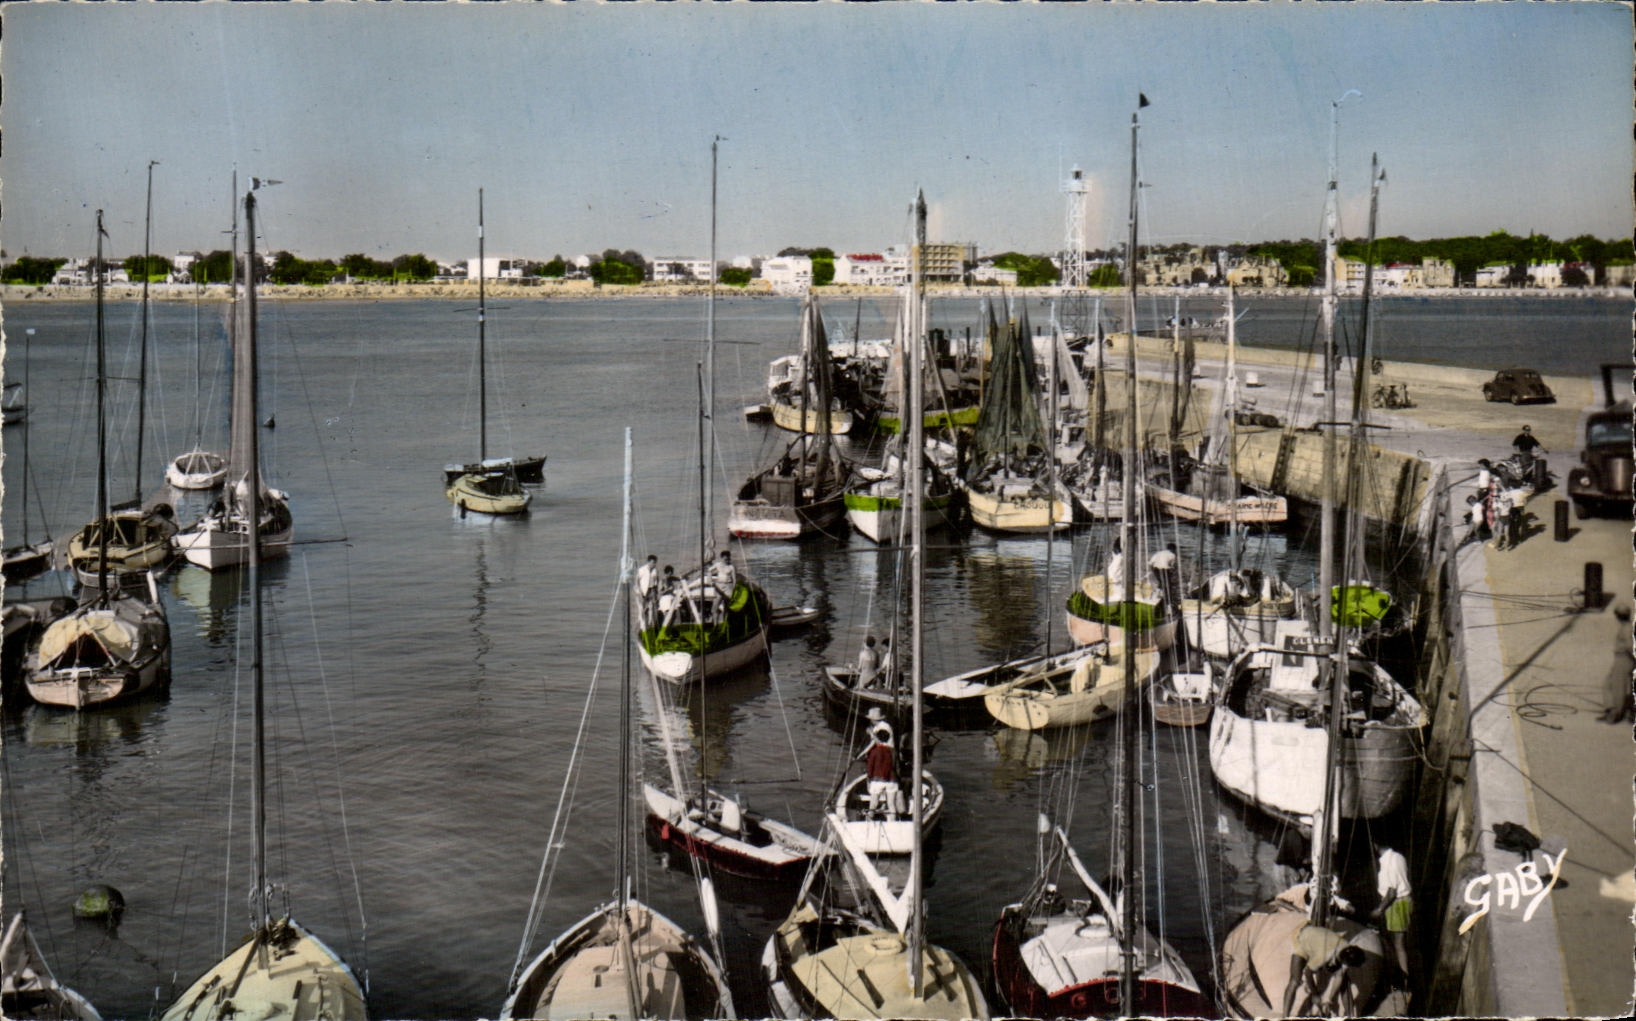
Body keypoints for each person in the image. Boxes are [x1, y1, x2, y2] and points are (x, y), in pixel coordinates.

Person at [1283, 924, 1368, 1018]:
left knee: (1344, 980)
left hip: (1318, 940)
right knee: (1295, 981)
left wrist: (1328, 1000)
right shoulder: (1324, 956)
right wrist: (1315, 994)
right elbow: (1308, 973)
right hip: (1302, 937)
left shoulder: (1346, 946)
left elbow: (1339, 976)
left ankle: (1349, 1015)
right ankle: (1284, 1016)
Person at [1373, 841, 1412, 979]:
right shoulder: (1398, 856)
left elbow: (1391, 892)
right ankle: (1401, 973)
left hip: (1396, 904)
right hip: (1405, 901)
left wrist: (1379, 909)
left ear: (1375, 845)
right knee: (1399, 941)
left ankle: (1403, 976)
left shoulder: (1387, 863)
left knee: (1398, 943)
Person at [1601, 603, 1634, 724]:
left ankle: (1615, 714)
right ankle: (1620, 711)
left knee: (1616, 687)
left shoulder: (1626, 629)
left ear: (1618, 616)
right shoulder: (1628, 626)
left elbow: (1631, 647)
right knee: (1612, 684)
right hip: (1623, 659)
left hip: (1623, 659)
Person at [861, 720, 899, 817]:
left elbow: (870, 768)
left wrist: (869, 780)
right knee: (891, 804)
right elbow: (896, 767)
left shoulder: (874, 752)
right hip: (891, 780)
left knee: (873, 804)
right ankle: (892, 824)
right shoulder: (893, 751)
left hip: (877, 780)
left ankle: (869, 821)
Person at [1149, 542, 1179, 608]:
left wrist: (1153, 572)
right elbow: (1172, 566)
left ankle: (1157, 595)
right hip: (1165, 570)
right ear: (1173, 549)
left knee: (1160, 583)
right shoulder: (1172, 555)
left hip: (1156, 569)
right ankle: (1168, 602)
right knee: (1167, 586)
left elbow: (1150, 563)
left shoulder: (1158, 553)